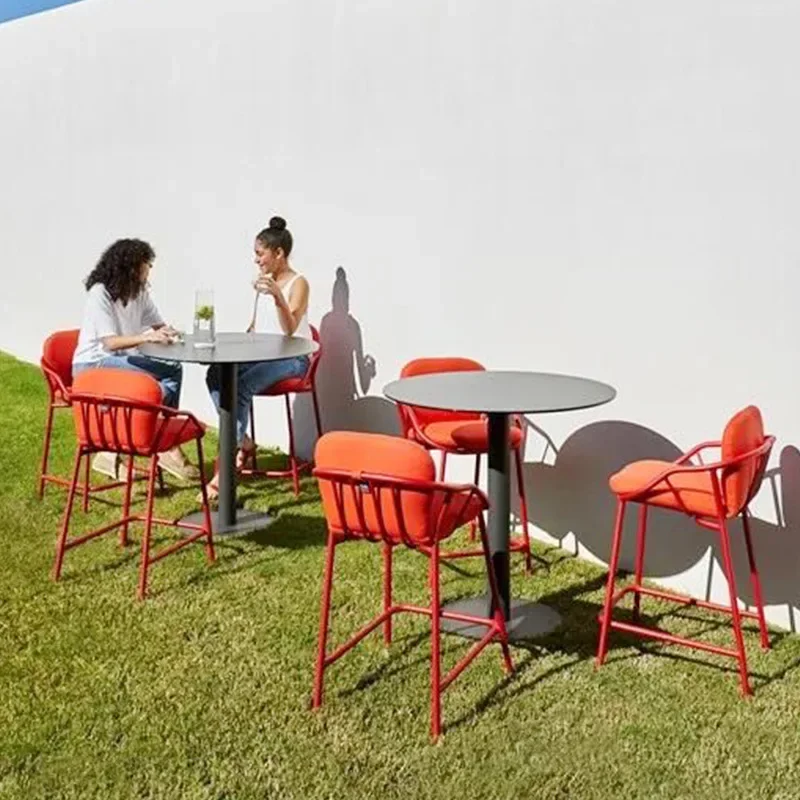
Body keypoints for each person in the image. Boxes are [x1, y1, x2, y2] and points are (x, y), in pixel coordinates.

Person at [72, 238, 199, 481]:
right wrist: (147, 337)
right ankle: (164, 447)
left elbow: (159, 325)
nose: (149, 269)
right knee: (152, 387)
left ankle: (153, 440)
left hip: (118, 361)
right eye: (147, 264)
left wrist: (173, 333)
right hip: (93, 366)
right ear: (131, 266)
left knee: (172, 369)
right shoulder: (100, 293)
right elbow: (110, 343)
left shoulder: (138, 292)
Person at [204, 216, 311, 497]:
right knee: (215, 374)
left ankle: (225, 467)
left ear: (279, 254)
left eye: (260, 253)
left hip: (294, 359)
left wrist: (277, 296)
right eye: (255, 253)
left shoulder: (298, 284)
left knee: (242, 386)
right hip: (264, 356)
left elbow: (289, 330)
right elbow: (255, 329)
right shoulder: (264, 283)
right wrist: (231, 348)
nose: (256, 260)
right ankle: (244, 442)